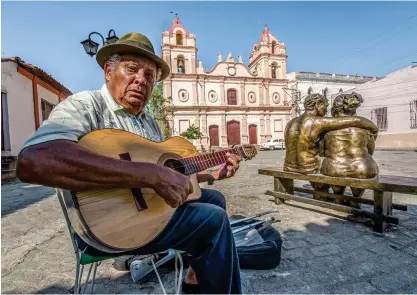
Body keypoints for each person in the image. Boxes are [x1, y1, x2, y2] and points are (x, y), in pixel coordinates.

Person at [16, 32, 242, 294]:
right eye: (132, 69)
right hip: (107, 227)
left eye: (149, 76)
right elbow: (34, 160)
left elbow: (166, 174)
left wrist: (211, 174)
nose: (141, 80)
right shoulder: (86, 105)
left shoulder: (148, 122)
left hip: (149, 215)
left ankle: (194, 280)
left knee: (214, 200)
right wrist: (147, 174)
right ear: (108, 71)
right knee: (212, 221)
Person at [283, 93, 378, 198]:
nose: (326, 111)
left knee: (331, 165)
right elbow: (355, 120)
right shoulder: (314, 121)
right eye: (325, 107)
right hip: (307, 168)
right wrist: (373, 127)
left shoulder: (291, 122)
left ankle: (328, 194)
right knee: (329, 168)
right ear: (318, 105)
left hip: (288, 166)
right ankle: (323, 195)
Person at [320, 93, 379, 204]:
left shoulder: (326, 130)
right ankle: (356, 199)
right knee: (364, 165)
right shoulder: (366, 129)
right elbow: (370, 151)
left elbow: (321, 152)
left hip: (334, 168)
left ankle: (338, 196)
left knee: (332, 167)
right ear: (353, 110)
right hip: (362, 169)